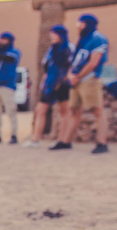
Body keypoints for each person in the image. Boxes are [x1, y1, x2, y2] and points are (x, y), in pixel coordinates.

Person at [50, 14, 110, 154]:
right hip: (76, 81)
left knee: (97, 110)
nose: (78, 27)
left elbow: (94, 62)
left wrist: (78, 76)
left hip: (90, 79)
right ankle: (65, 141)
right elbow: (75, 61)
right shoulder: (82, 40)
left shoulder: (98, 38)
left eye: (80, 24)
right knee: (74, 110)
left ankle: (102, 142)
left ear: (87, 24)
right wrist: (70, 75)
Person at [23, 25, 74, 148]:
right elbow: (47, 67)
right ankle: (35, 139)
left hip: (62, 84)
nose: (51, 36)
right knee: (40, 110)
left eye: (54, 33)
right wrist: (44, 81)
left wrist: (62, 80)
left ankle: (63, 140)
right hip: (49, 84)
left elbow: (72, 66)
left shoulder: (69, 48)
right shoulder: (51, 50)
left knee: (64, 111)